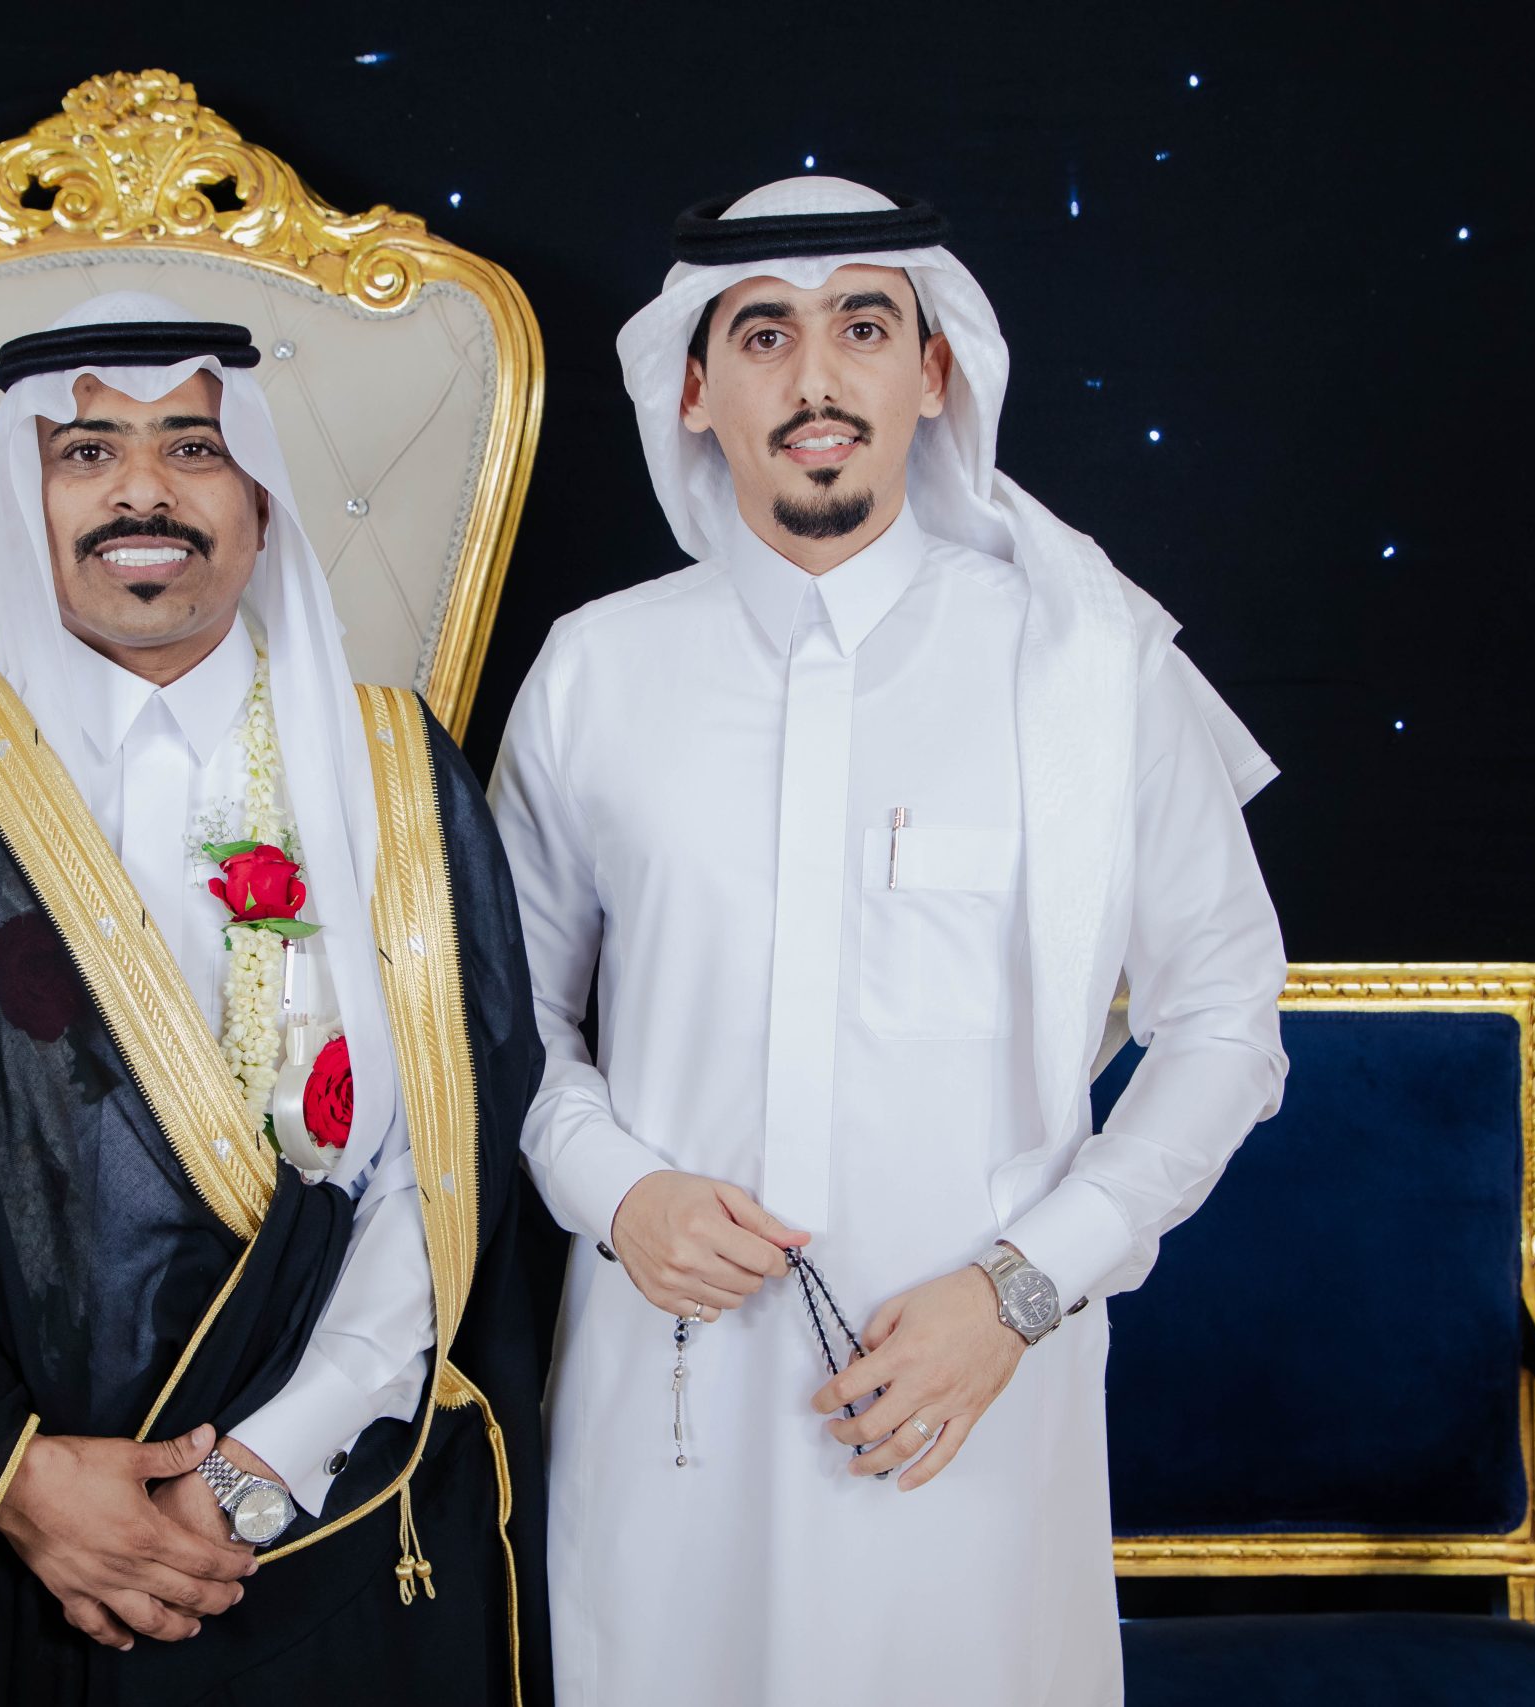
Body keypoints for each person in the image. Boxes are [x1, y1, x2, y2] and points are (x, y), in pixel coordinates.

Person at [490, 178, 1291, 1705]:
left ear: (934, 375)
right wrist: (617, 1190)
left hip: (980, 1393)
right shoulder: (596, 671)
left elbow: (1226, 1021)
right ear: (693, 388)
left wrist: (1025, 1286)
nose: (816, 379)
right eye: (764, 335)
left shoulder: (1087, 666)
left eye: (863, 328)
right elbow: (500, 1012)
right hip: (671, 1393)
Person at [0, 293, 549, 1705]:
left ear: (262, 501)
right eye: (89, 452)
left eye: (193, 447)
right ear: (28, 501)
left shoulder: (394, 777)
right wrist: (20, 1482)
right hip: (15, 1546)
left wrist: (266, 1462)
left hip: (329, 1499)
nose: (142, 491)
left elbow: (450, 1165)